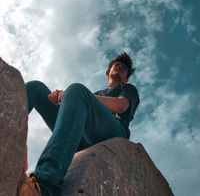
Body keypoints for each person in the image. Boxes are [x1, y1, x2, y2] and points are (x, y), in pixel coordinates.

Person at [19, 52, 140, 196]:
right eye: (117, 65)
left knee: (77, 90)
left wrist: (74, 95)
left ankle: (44, 185)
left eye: (124, 68)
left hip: (113, 133)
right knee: (36, 88)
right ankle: (5, 129)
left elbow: (121, 106)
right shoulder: (95, 94)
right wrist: (62, 99)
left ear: (126, 78)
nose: (120, 67)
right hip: (83, 137)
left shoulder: (127, 89)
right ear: (108, 72)